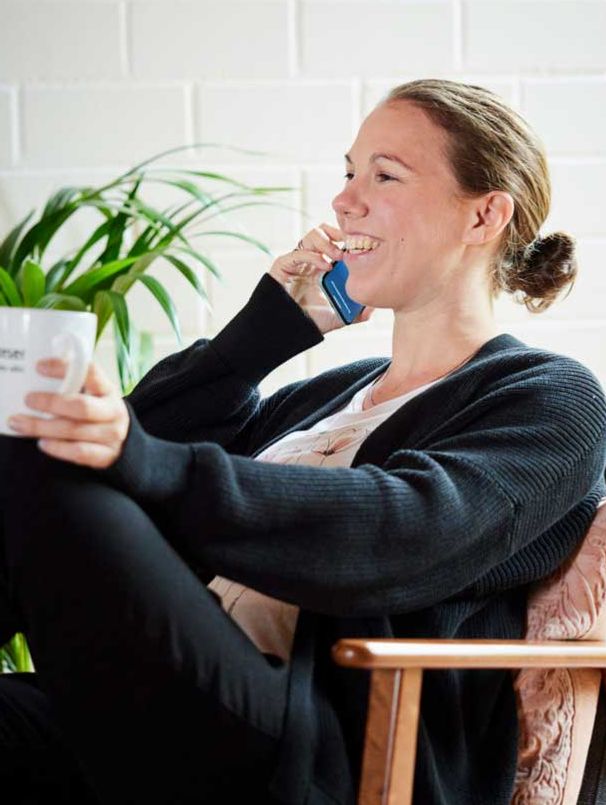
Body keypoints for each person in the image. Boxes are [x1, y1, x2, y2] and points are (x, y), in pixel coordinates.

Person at [1, 78, 605, 805]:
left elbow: (403, 529)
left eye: (384, 175)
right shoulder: (329, 394)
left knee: (44, 440)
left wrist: (140, 456)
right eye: (349, 172)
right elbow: (142, 442)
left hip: (311, 743)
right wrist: (261, 337)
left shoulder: (552, 398)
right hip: (175, 699)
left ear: (484, 215)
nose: (345, 200)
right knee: (41, 429)